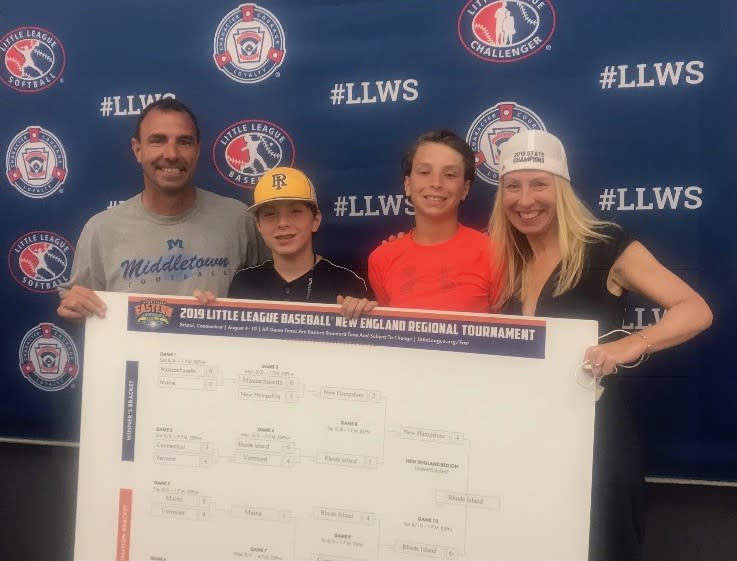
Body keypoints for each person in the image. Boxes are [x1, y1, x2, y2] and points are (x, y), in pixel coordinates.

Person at [488, 129, 712, 561]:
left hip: (596, 442)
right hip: (528, 441)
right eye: (512, 186)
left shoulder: (606, 245)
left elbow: (695, 308)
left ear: (562, 188)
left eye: (539, 184)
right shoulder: (512, 259)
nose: (525, 199)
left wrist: (632, 344)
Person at [57, 99, 267, 320]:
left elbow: (275, 291)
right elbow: (80, 310)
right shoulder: (101, 230)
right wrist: (74, 308)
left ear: (197, 150)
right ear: (138, 150)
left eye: (184, 142)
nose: (171, 154)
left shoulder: (239, 219)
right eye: (158, 140)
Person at [367, 129, 502, 313]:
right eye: (424, 172)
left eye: (450, 175)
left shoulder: (493, 254)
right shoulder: (381, 259)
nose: (436, 183)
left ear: (465, 189)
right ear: (408, 185)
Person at [195, 166, 370, 306]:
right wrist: (210, 316)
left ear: (316, 219)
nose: (282, 223)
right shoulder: (244, 282)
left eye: (295, 211)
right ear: (259, 225)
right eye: (270, 214)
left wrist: (360, 313)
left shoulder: (348, 283)